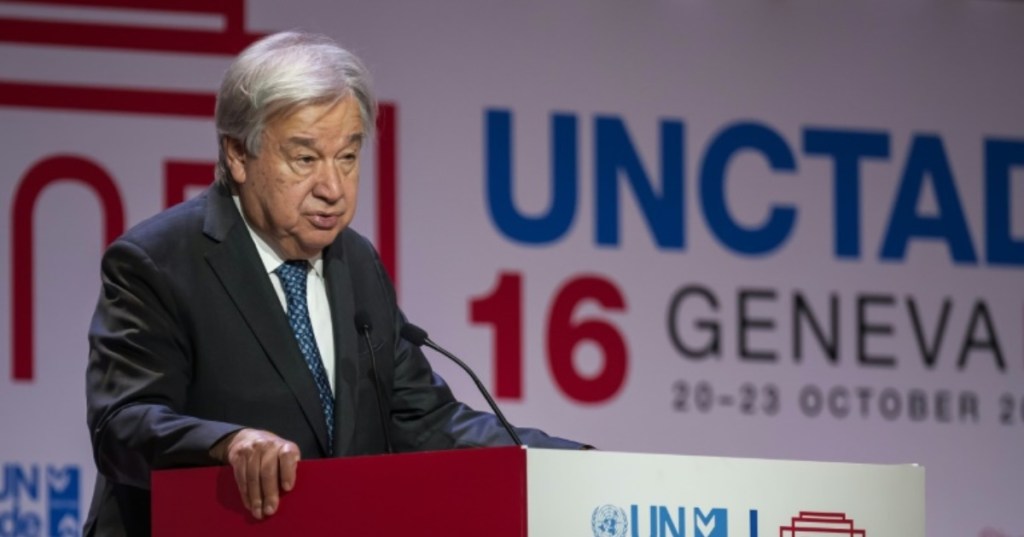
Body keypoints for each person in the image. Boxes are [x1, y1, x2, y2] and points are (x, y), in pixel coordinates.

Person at [84, 31, 584, 537]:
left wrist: (573, 464)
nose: (332, 188)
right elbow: (121, 425)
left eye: (347, 157)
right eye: (305, 159)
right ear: (238, 155)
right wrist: (226, 444)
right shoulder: (160, 261)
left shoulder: (356, 262)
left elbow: (427, 422)